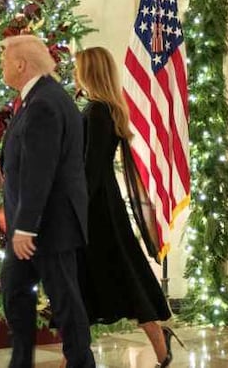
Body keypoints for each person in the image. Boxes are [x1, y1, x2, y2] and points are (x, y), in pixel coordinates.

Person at [73, 47, 181, 368]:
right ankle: (157, 343)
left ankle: (157, 341)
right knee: (117, 276)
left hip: (97, 210)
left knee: (111, 277)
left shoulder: (96, 111)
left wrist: (74, 207)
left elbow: (90, 170)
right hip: (105, 205)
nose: (74, 73)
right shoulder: (105, 109)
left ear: (89, 71)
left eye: (79, 68)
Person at [0, 35, 95, 368]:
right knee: (15, 291)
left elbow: (40, 171)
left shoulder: (44, 103)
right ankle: (21, 362)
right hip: (41, 224)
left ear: (21, 64)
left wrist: (25, 226)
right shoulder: (41, 97)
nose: (2, 65)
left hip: (47, 227)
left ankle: (82, 363)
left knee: (65, 301)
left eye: (5, 60)